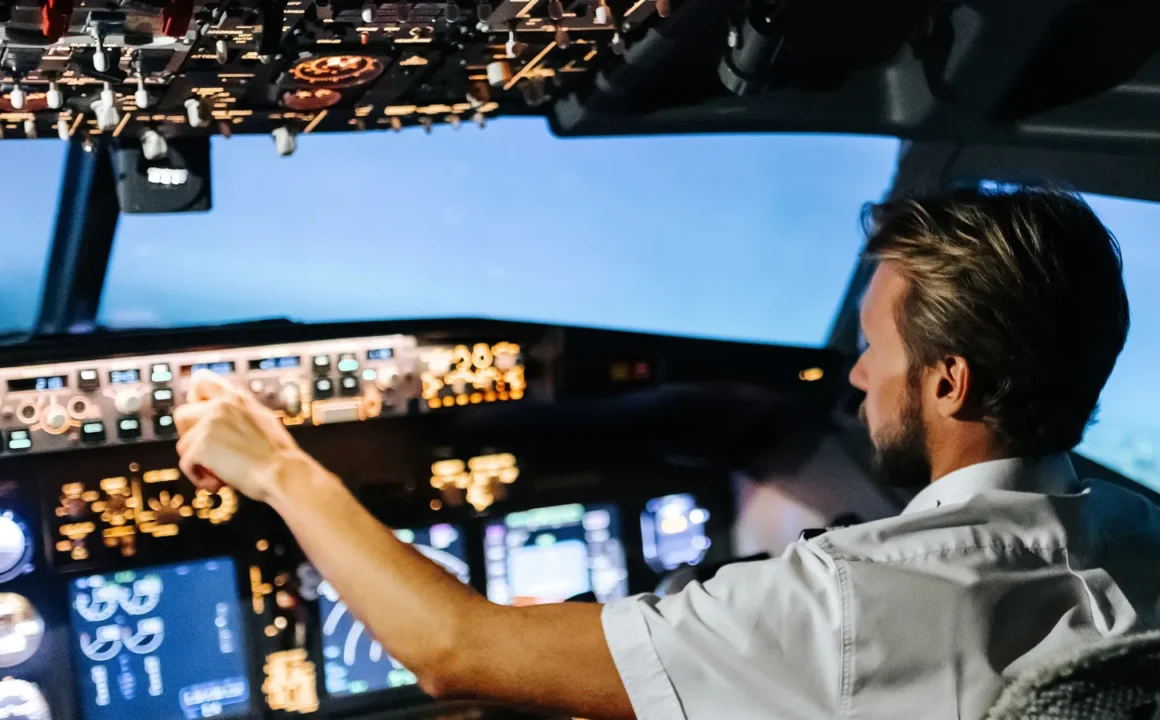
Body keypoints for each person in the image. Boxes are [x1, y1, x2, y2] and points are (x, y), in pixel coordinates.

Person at [174, 185, 1160, 720]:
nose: (854, 378)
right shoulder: (1137, 530)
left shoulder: (858, 601)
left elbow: (452, 651)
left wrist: (278, 471)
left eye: (873, 349)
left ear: (947, 382)